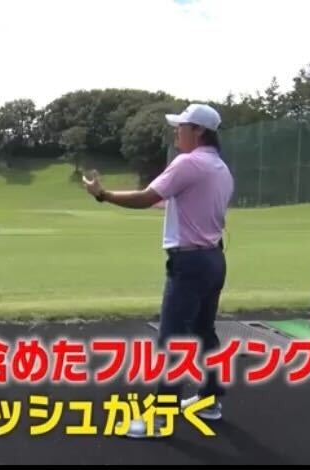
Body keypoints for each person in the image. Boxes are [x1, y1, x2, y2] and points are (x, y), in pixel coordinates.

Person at [81, 103, 234, 439]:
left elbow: (146, 197)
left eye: (182, 126)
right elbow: (172, 201)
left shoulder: (189, 162)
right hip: (213, 259)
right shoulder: (220, 167)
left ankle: (160, 419)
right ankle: (210, 402)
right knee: (204, 332)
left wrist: (102, 194)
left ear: (199, 131)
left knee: (172, 339)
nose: (176, 132)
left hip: (189, 263)